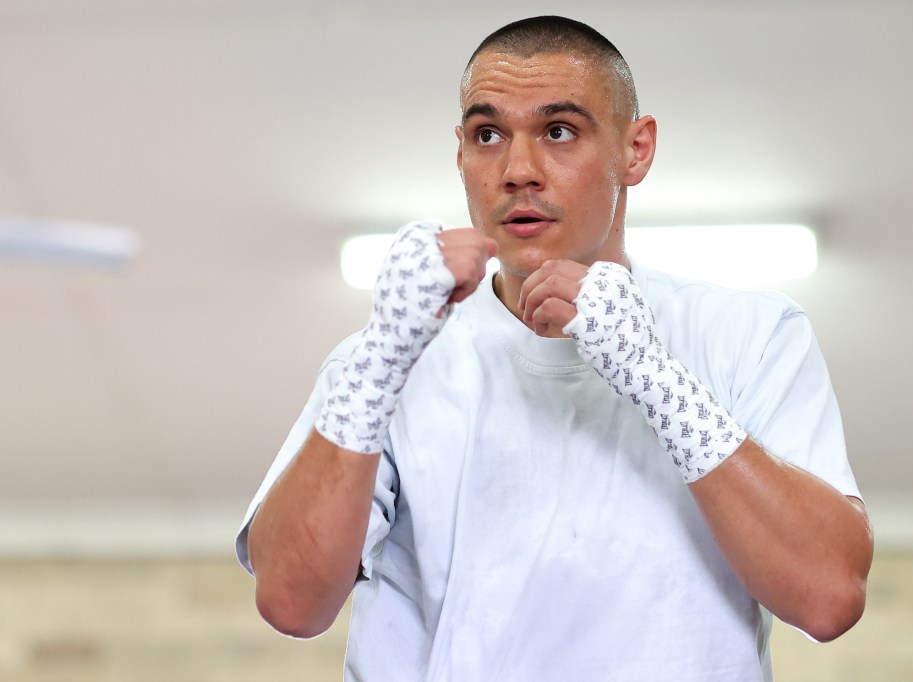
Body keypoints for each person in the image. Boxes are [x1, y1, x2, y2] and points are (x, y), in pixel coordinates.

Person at [237, 15, 873, 680]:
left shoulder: (748, 334)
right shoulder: (383, 360)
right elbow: (290, 602)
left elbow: (829, 598)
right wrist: (381, 360)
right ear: (460, 153)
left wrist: (653, 375)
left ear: (636, 148)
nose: (517, 171)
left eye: (559, 131)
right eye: (488, 135)